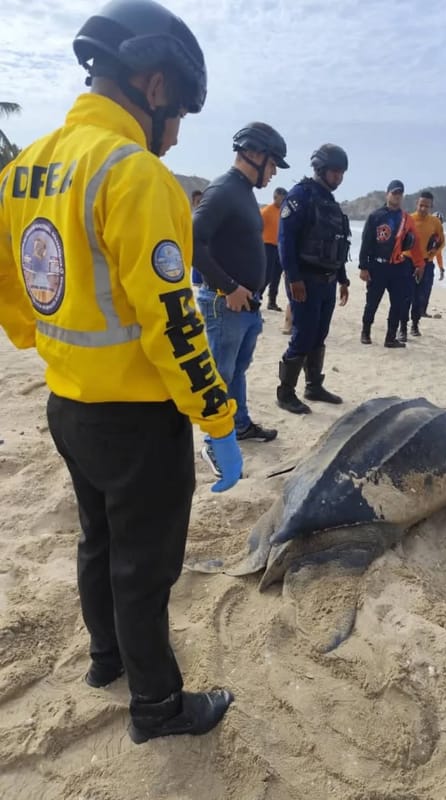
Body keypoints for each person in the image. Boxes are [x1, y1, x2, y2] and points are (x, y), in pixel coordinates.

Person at [0, 0, 243, 745]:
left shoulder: (24, 168)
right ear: (155, 85)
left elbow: (12, 290)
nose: (175, 136)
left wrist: (42, 343)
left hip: (67, 403)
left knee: (96, 541)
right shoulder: (134, 175)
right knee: (144, 568)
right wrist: (219, 418)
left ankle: (106, 659)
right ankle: (159, 708)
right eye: (180, 115)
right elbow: (174, 322)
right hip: (136, 419)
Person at [192, 122, 288, 446]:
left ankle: (240, 424)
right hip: (225, 302)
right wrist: (228, 287)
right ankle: (216, 440)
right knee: (220, 373)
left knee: (236, 370)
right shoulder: (223, 190)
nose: (274, 172)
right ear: (253, 153)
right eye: (273, 163)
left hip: (246, 304)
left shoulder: (244, 192)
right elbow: (191, 240)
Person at [276, 144, 351, 414]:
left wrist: (343, 279)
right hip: (304, 279)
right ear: (320, 169)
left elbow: (338, 244)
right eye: (335, 172)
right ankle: (285, 393)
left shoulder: (330, 202)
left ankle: (313, 386)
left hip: (328, 280)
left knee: (319, 334)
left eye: (342, 173)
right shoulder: (301, 196)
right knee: (303, 334)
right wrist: (293, 279)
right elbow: (285, 241)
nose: (339, 178)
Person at [358, 180, 423, 348]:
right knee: (372, 301)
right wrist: (363, 266)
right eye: (394, 193)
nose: (397, 196)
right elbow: (366, 242)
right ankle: (366, 331)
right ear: (387, 194)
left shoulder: (406, 219)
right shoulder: (376, 216)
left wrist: (419, 264)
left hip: (399, 267)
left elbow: (415, 243)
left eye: (400, 193)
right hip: (378, 266)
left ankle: (390, 337)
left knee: (398, 304)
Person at [409, 191, 445, 332]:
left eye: (427, 206)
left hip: (426, 263)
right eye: (421, 205)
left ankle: (415, 325)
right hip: (408, 262)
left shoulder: (435, 222)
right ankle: (402, 328)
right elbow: (399, 241)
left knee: (421, 296)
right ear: (416, 204)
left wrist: (432, 254)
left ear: (431, 207)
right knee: (405, 295)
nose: (423, 209)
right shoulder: (409, 219)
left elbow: (441, 242)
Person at [260, 186, 287, 310]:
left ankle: (272, 302)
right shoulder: (266, 211)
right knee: (266, 275)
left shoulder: (284, 212)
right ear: (275, 197)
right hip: (267, 246)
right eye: (281, 199)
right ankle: (256, 297)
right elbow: (256, 229)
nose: (283, 202)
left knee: (276, 276)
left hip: (279, 247)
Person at [190, 190, 203, 289]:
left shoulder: (209, 216)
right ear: (193, 203)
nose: (200, 203)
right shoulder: (191, 219)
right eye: (198, 201)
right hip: (197, 255)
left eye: (202, 201)